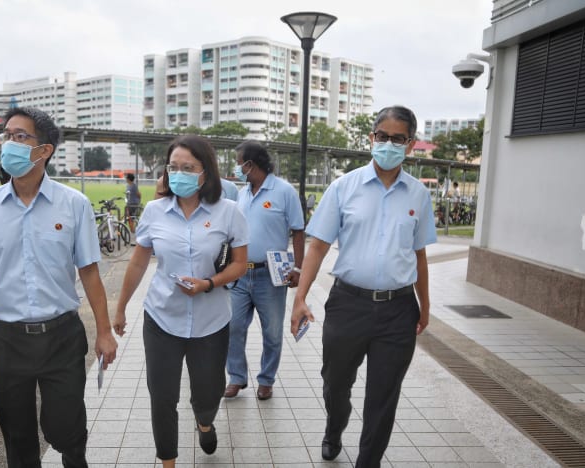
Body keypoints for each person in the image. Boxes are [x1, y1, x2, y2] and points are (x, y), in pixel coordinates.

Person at [0, 106, 118, 468]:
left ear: (44, 150)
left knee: (64, 427)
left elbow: (89, 273)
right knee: (17, 436)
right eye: (7, 136)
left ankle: (74, 455)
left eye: (20, 136)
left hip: (61, 336)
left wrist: (105, 331)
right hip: (8, 339)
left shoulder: (73, 205)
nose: (9, 143)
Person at [291, 105, 436, 464]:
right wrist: (300, 297)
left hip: (398, 310)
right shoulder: (344, 187)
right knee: (335, 384)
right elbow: (319, 246)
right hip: (348, 304)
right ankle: (334, 426)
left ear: (410, 144)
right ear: (372, 139)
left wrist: (426, 305)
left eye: (397, 139)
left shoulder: (418, 195)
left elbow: (419, 256)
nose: (388, 144)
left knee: (383, 396)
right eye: (382, 136)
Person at [112, 135, 248, 468]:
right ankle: (168, 462)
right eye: (173, 167)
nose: (179, 174)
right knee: (162, 397)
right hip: (161, 318)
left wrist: (208, 283)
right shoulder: (155, 211)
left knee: (208, 392)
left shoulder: (228, 212)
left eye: (188, 167)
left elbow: (239, 264)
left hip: (211, 321)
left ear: (206, 172)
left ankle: (204, 421)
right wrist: (120, 307)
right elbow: (139, 261)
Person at [224, 141, 304, 401]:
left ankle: (266, 380)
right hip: (239, 273)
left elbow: (299, 231)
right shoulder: (242, 193)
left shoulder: (284, 191)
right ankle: (236, 377)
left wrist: (298, 268)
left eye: (239, 162)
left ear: (251, 164)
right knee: (233, 326)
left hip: (271, 275)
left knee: (271, 331)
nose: (237, 167)